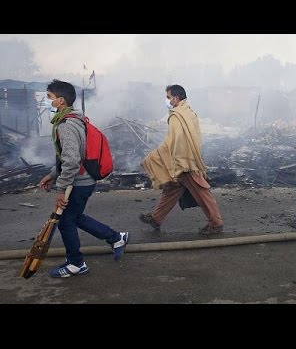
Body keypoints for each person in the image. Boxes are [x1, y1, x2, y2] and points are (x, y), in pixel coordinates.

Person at [39, 79, 128, 278]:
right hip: (84, 180)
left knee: (65, 222)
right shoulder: (75, 120)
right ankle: (116, 238)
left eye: (49, 98)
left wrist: (60, 189)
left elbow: (71, 161)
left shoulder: (66, 125)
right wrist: (53, 175)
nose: (47, 102)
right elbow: (70, 157)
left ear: (60, 101)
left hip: (78, 183)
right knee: (75, 217)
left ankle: (76, 264)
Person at [140, 84, 223, 235]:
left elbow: (176, 142)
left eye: (168, 97)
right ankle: (156, 218)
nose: (167, 101)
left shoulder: (177, 116)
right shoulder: (188, 112)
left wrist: (173, 165)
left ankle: (216, 223)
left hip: (184, 162)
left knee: (202, 193)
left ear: (176, 98)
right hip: (188, 158)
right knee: (171, 190)